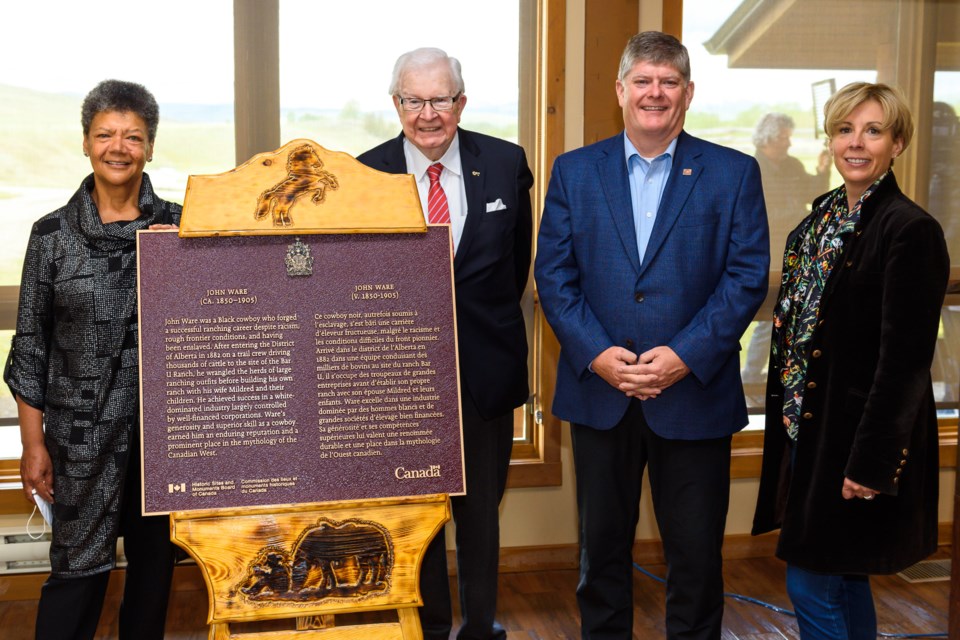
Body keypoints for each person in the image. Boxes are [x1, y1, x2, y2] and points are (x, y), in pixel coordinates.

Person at [534, 32, 769, 639]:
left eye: (668, 81)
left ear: (688, 93)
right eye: (643, 80)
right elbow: (553, 277)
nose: (655, 93)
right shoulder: (575, 171)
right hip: (600, 394)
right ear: (621, 90)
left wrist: (685, 356)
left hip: (693, 396)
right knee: (600, 557)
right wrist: (598, 355)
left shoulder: (733, 173)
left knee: (694, 560)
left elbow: (745, 280)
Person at [752, 82, 949, 639]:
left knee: (812, 584)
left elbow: (905, 362)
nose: (856, 143)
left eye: (873, 131)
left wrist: (870, 462)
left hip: (855, 441)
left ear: (898, 143)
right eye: (845, 130)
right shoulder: (816, 225)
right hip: (807, 432)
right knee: (840, 578)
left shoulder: (910, 230)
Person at [357, 48, 533, 640]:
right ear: (396, 103)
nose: (427, 114)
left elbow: (516, 268)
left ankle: (480, 626)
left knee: (481, 513)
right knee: (419, 517)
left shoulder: (507, 164)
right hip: (400, 381)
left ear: (461, 101)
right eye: (414, 100)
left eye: (440, 99)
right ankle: (429, 629)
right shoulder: (365, 174)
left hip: (486, 373)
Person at [6, 79, 181, 640]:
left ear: (150, 146)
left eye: (133, 136)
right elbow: (30, 346)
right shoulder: (52, 236)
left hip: (164, 442)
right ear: (86, 142)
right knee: (76, 577)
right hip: (78, 444)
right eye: (106, 134)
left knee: (154, 577)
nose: (119, 146)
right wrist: (33, 445)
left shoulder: (181, 229)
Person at [742, 113, 830, 388]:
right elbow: (760, 214)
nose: (789, 144)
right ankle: (751, 377)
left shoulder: (792, 165)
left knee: (793, 315)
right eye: (783, 138)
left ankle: (783, 377)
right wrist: (795, 213)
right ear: (767, 139)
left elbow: (811, 196)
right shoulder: (753, 168)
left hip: (796, 254)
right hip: (766, 255)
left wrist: (823, 170)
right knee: (769, 316)